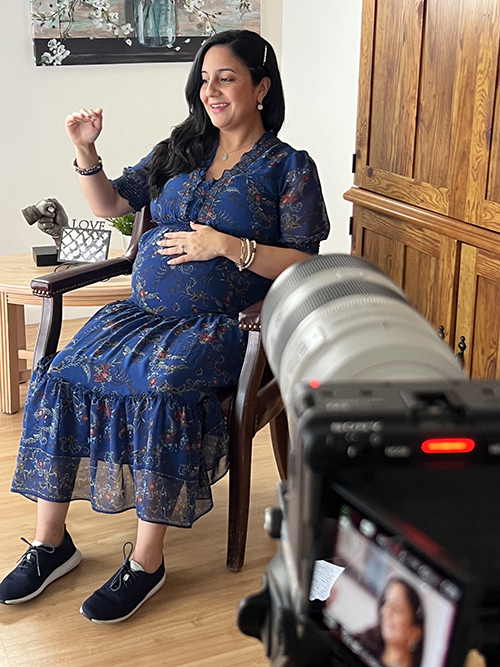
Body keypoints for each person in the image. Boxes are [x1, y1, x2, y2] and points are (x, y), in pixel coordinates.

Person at [0, 29, 329, 623]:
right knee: (61, 372)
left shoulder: (289, 168)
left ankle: (148, 562)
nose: (211, 91)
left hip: (224, 326)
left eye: (225, 78)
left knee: (161, 385)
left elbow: (306, 262)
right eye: (204, 79)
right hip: (143, 315)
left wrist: (230, 246)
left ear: (261, 87)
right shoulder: (180, 148)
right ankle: (52, 544)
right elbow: (109, 205)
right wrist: (85, 152)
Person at [355, 579, 425, 667]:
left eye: (396, 608)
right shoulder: (359, 646)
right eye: (385, 603)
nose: (385, 611)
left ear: (415, 633)